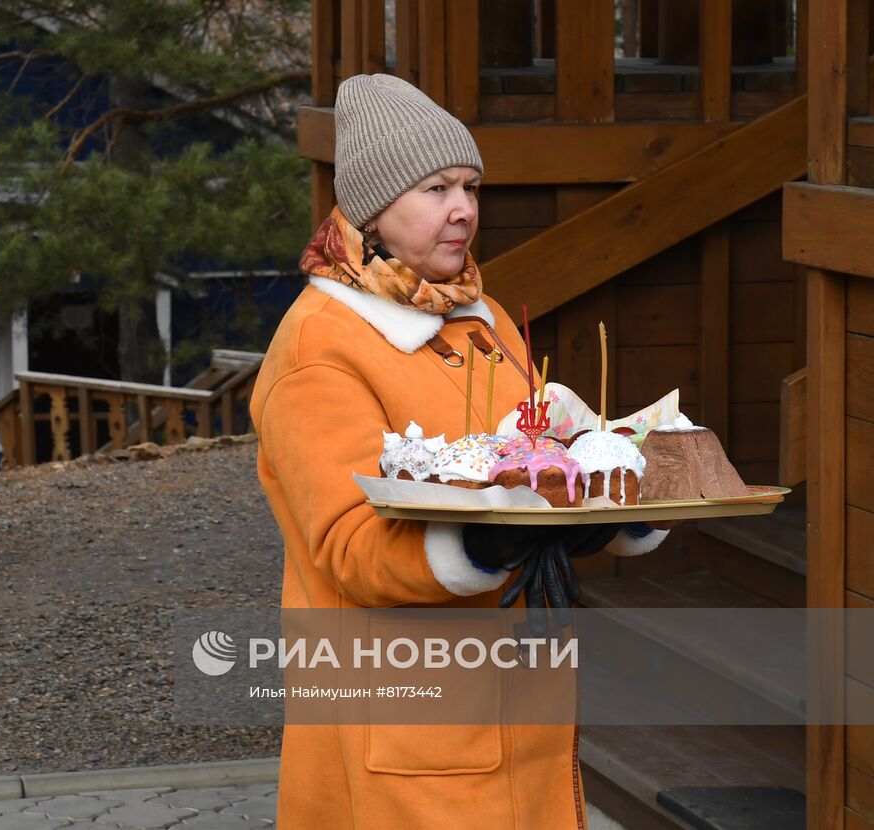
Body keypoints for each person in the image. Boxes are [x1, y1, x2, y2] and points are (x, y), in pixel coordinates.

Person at [249, 75, 668, 829]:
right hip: (407, 735)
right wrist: (482, 539)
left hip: (519, 718)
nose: (464, 209)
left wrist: (596, 499)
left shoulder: (480, 313)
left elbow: (528, 462)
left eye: (471, 187)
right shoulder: (321, 345)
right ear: (373, 210)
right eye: (436, 187)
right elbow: (348, 543)